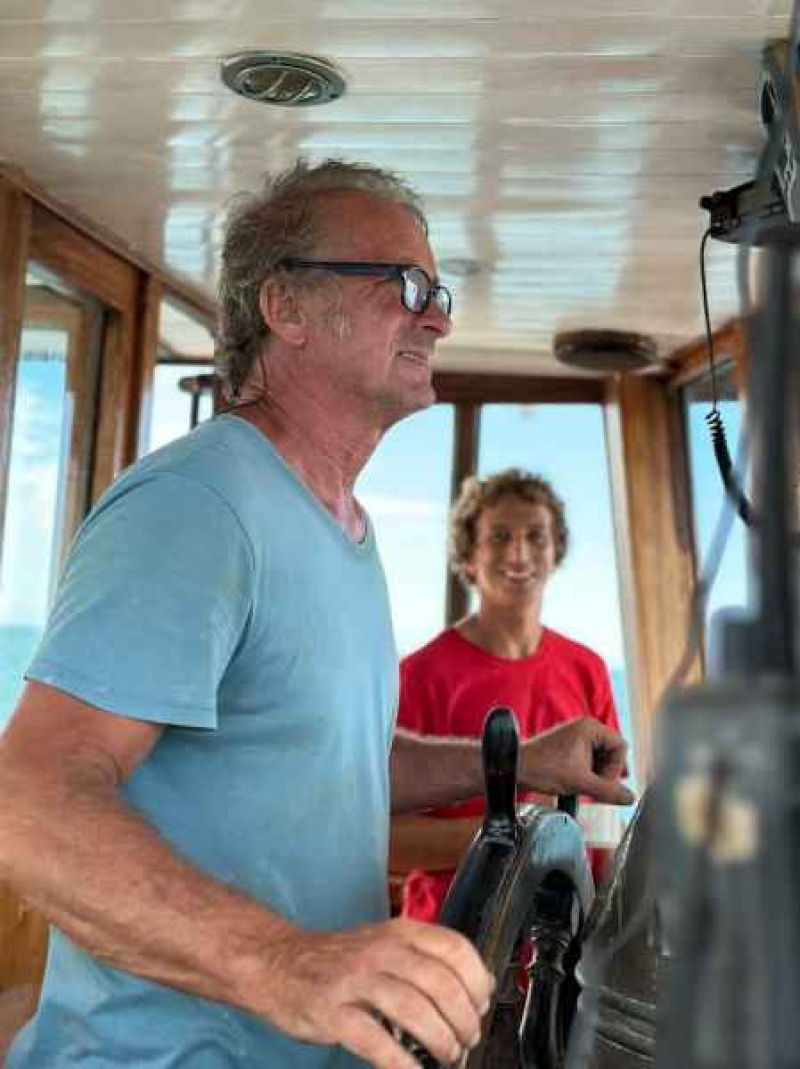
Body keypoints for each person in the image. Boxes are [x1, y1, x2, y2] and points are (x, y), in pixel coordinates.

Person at [0, 160, 632, 1069]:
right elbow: (28, 797)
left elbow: (335, 760)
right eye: (405, 284)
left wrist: (529, 760)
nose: (439, 315)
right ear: (286, 308)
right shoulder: (197, 506)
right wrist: (288, 964)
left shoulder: (347, 527)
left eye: (439, 289)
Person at [390, 469, 623, 922]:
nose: (519, 553)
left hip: (564, 947)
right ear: (469, 557)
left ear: (556, 552)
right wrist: (517, 830)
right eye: (499, 537)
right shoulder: (418, 676)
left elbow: (605, 821)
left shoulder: (588, 668)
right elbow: (381, 842)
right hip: (453, 941)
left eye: (536, 536)